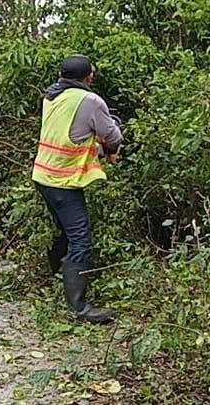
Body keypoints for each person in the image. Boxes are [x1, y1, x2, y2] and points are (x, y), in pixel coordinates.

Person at [32, 55, 122, 324]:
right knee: (80, 237)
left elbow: (71, 133)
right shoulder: (91, 101)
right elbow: (114, 136)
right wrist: (110, 141)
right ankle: (79, 307)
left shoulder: (51, 96)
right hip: (63, 180)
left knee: (64, 230)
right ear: (89, 77)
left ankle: (56, 276)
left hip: (43, 174)